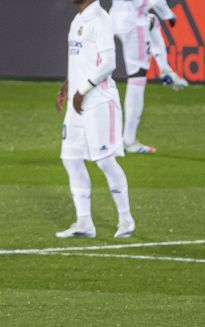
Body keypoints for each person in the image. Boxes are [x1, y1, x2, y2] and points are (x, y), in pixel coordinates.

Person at [56, 0, 135, 239]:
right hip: (77, 102)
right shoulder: (78, 19)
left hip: (99, 102)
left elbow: (109, 63)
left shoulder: (100, 19)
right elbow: (83, 61)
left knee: (105, 161)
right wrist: (68, 85)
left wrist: (83, 90)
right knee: (70, 158)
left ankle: (126, 219)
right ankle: (84, 222)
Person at [109, 0, 188, 153]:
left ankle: (165, 69)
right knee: (137, 77)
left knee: (152, 21)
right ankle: (128, 141)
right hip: (133, 21)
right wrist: (169, 14)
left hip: (114, 18)